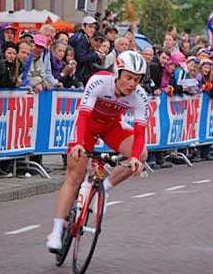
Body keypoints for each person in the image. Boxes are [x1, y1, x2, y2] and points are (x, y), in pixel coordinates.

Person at [46, 51, 149, 251]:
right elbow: (83, 116)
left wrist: (135, 157)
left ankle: (101, 190)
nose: (132, 84)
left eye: (137, 80)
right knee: (75, 177)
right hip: (87, 126)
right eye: (128, 77)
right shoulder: (99, 82)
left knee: (142, 154)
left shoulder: (140, 96)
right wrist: (78, 145)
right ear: (117, 73)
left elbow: (140, 131)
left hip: (112, 127)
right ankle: (56, 230)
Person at [69, 16, 105, 86]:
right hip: (77, 75)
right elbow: (81, 58)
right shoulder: (82, 39)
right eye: (90, 27)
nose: (92, 30)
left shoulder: (82, 37)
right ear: (83, 26)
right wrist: (96, 55)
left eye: (94, 28)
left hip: (76, 74)